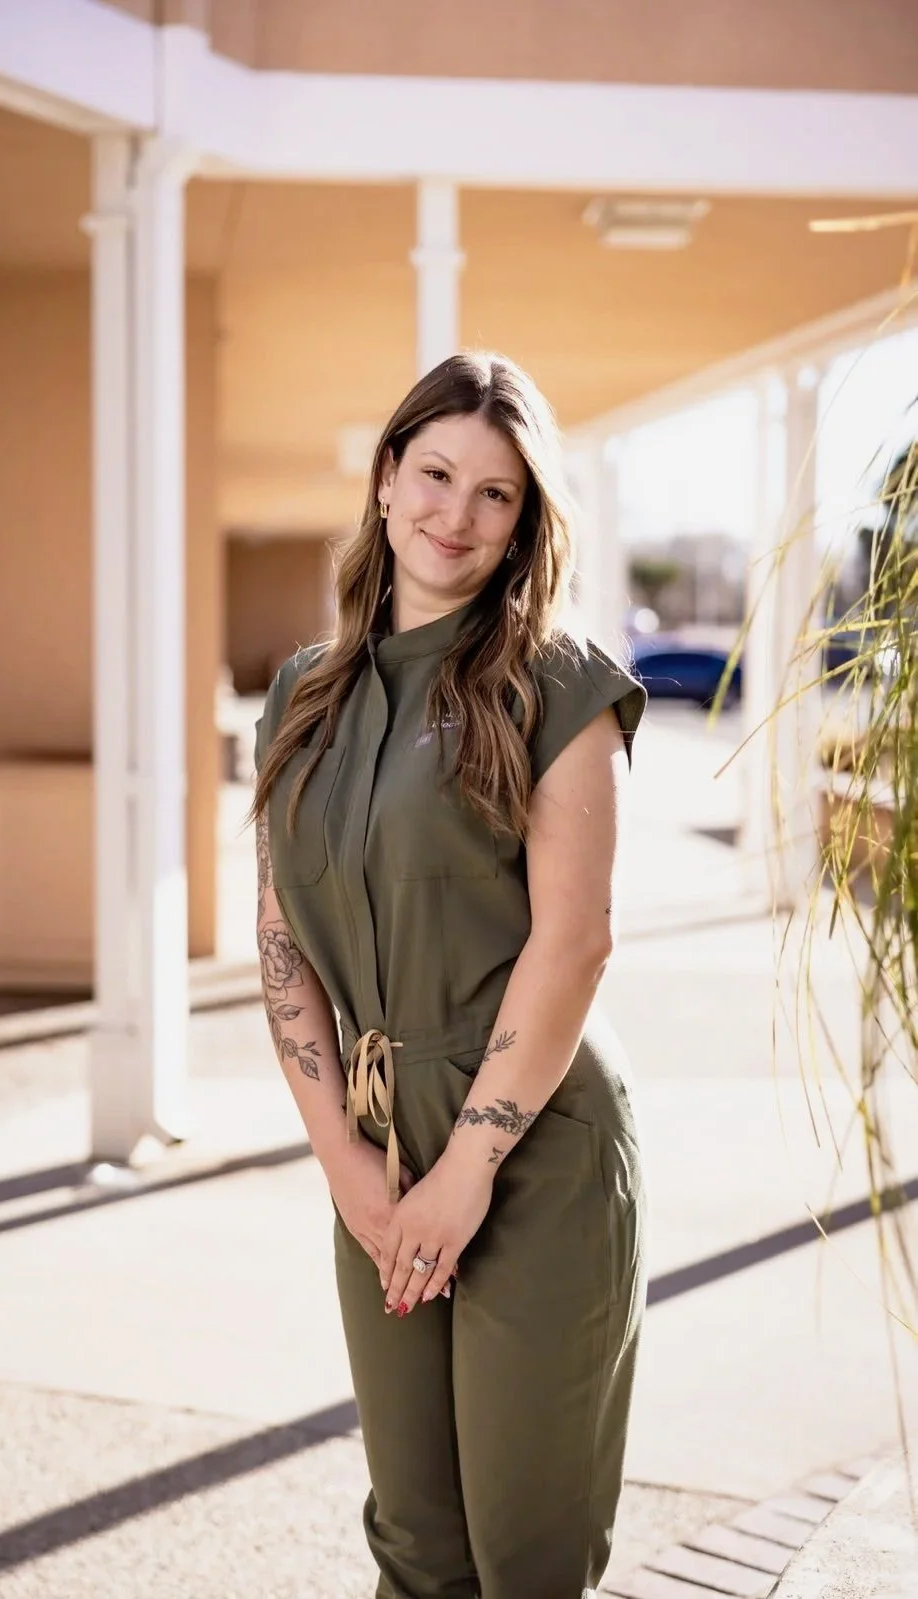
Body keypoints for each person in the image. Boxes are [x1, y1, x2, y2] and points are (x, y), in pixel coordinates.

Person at [252, 351, 647, 1599]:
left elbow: (573, 941)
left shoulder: (558, 686)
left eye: (497, 493)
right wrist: (347, 1169)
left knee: (522, 1554)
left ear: (528, 520)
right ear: (383, 481)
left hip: (534, 1144)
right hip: (376, 1148)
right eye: (434, 474)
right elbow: (282, 945)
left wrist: (466, 1169)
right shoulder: (299, 702)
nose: (455, 515)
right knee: (416, 1541)